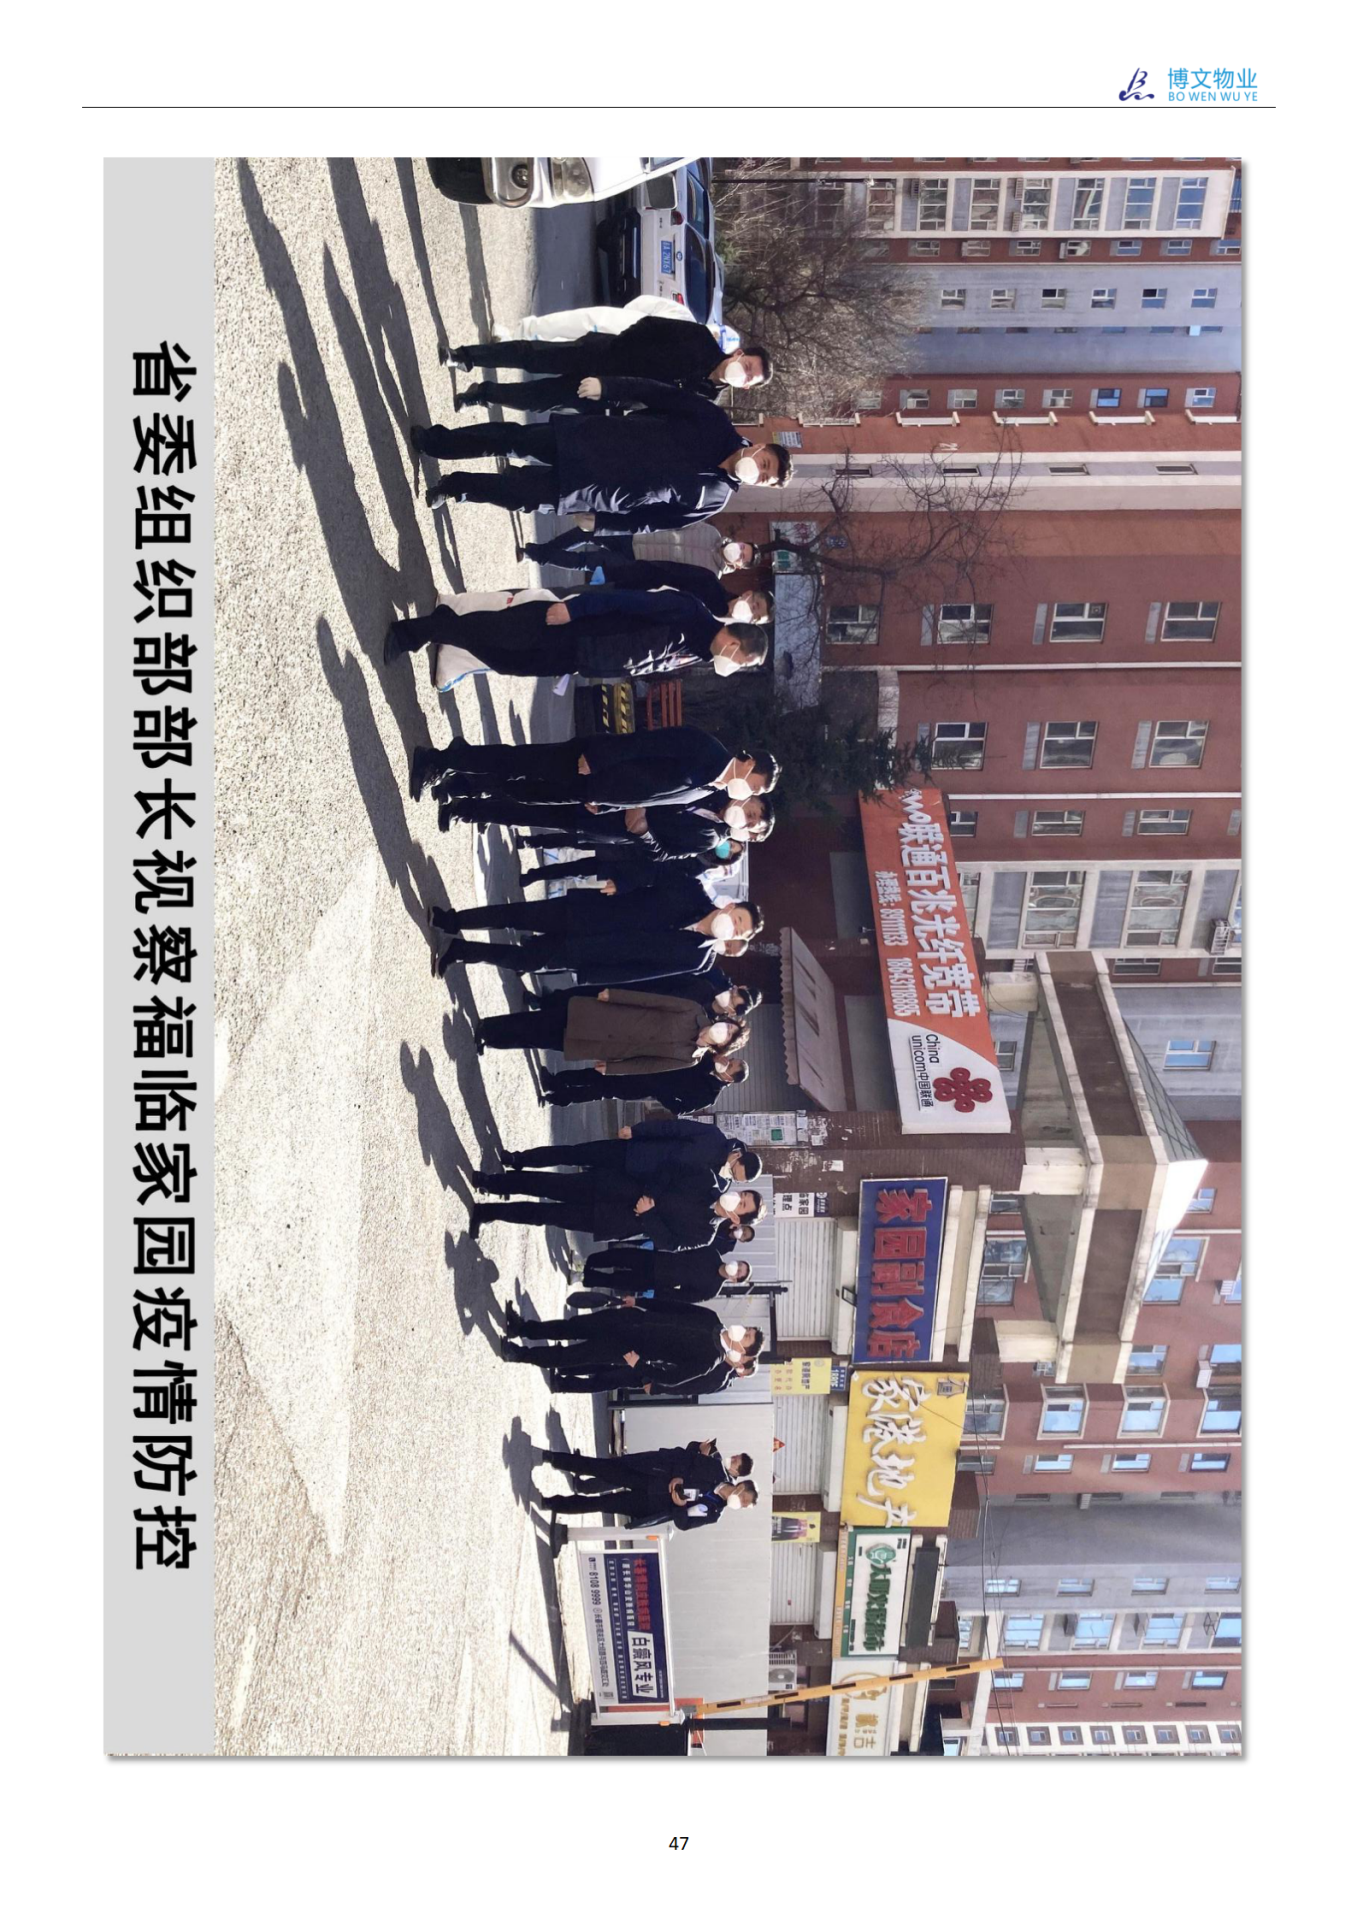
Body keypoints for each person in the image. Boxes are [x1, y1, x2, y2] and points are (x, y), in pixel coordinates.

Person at [412, 379, 793, 524]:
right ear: (759, 447)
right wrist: (608, 387)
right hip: (591, 440)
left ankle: (456, 487)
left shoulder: (714, 498)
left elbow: (652, 521)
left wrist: (603, 525)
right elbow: (658, 393)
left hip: (596, 491)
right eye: (764, 463)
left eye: (765, 478)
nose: (758, 472)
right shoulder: (714, 423)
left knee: (517, 496)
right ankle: (437, 443)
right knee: (511, 440)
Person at [427, 875, 763, 984]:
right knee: (516, 915)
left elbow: (642, 971)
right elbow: (650, 871)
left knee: (524, 961)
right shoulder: (692, 890)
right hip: (590, 913)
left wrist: (594, 976)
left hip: (593, 952)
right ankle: (452, 920)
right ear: (730, 907)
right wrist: (624, 881)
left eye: (739, 933)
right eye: (738, 920)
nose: (733, 928)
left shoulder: (698, 958)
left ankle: (460, 951)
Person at [384, 590, 768, 682]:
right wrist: (576, 608)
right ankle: (410, 633)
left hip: (579, 660)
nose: (734, 665)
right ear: (735, 644)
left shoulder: (699, 654)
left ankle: (445, 621)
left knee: (503, 661)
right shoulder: (689, 611)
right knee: (494, 633)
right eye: (741, 660)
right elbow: (626, 600)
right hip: (573, 627)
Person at [411, 725, 779, 814]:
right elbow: (644, 743)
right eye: (756, 786)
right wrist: (599, 758)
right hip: (591, 763)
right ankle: (437, 760)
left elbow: (651, 797)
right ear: (749, 763)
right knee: (516, 762)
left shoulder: (712, 787)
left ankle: (461, 760)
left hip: (593, 791)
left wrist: (606, 804)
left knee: (523, 792)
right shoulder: (704, 748)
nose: (750, 794)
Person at [443, 313, 771, 407]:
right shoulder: (700, 338)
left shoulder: (704, 399)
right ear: (739, 354)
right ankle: (466, 356)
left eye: (749, 377)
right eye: (747, 366)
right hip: (601, 354)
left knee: (536, 398)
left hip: (605, 393)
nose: (742, 373)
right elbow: (650, 325)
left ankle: (481, 394)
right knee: (533, 356)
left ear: (745, 387)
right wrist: (619, 350)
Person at [471, 988, 749, 1075]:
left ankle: (493, 1041)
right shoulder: (693, 1010)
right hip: (606, 1016)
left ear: (723, 1045)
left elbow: (648, 1066)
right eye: (728, 1025)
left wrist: (614, 1069)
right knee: (541, 1021)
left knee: (541, 1040)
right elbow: (652, 1000)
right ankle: (489, 1026)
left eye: (729, 1035)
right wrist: (614, 995)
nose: (724, 1030)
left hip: (608, 1046)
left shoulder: (691, 1058)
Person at [499, 1299, 764, 1387]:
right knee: (573, 1326)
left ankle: (519, 1354)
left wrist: (640, 1365)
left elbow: (672, 1378)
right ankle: (523, 1328)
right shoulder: (711, 1318)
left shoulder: (710, 1360)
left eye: (747, 1336)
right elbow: (672, 1306)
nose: (743, 1331)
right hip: (632, 1319)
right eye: (748, 1329)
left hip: (630, 1350)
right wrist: (639, 1302)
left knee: (573, 1355)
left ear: (742, 1350)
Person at [470, 1182, 764, 1251]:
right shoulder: (707, 1183)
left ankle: (489, 1212)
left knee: (548, 1214)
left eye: (742, 1205)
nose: (737, 1199)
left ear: (736, 1219)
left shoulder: (705, 1234)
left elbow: (668, 1243)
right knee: (553, 1185)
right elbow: (670, 1171)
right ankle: (493, 1182)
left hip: (619, 1220)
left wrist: (649, 1214)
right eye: (742, 1195)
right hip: (619, 1190)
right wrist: (649, 1195)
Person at [495, 1118, 762, 1188]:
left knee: (569, 1183)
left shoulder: (719, 1185)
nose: (730, 1175)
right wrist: (637, 1131)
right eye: (734, 1171)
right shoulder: (712, 1137)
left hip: (634, 1183)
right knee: (575, 1154)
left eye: (734, 1179)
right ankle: (520, 1159)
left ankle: (512, 1182)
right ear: (737, 1156)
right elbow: (672, 1128)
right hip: (633, 1153)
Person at [572, 555, 771, 626]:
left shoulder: (717, 633)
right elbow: (662, 570)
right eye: (755, 606)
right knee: (566, 601)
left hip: (622, 627)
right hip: (622, 593)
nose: (750, 613)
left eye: (754, 618)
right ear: (747, 594)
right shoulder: (708, 583)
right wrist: (614, 574)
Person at [539, 1050, 749, 1115]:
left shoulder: (710, 1094)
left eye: (730, 1066)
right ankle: (556, 1081)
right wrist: (713, 1057)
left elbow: (681, 1108)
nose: (726, 1063)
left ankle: (558, 1099)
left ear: (729, 1078)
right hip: (647, 1065)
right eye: (730, 1060)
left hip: (646, 1086)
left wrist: (660, 1091)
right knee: (597, 1073)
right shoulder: (708, 1060)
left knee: (600, 1090)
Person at [538, 1437, 753, 1495]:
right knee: (613, 1470)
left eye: (736, 1460)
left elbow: (689, 1475)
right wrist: (700, 1447)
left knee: (613, 1470)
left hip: (660, 1473)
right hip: (662, 1461)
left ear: (737, 1472)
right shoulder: (717, 1460)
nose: (732, 1458)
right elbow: (690, 1450)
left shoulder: (718, 1479)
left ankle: (567, 1466)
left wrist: (701, 1456)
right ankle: (582, 1479)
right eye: (735, 1456)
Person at [537, 1476, 758, 1531]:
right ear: (739, 1486)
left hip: (651, 1506)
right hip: (655, 1482)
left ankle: (553, 1503)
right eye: (743, 1498)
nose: (739, 1503)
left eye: (744, 1505)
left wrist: (680, 1506)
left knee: (602, 1504)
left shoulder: (714, 1512)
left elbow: (684, 1523)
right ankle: (582, 1483)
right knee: (613, 1476)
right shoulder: (715, 1474)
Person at [574, 1241, 752, 1304]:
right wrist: (660, 1245)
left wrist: (659, 1294)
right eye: (739, 1265)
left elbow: (684, 1297)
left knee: (617, 1280)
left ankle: (583, 1277)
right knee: (618, 1256)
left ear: (734, 1280)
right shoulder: (712, 1254)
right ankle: (584, 1263)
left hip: (657, 1280)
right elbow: (687, 1246)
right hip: (657, 1258)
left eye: (739, 1273)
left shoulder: (712, 1289)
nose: (735, 1269)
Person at [522, 528, 756, 574]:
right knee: (588, 531)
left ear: (739, 566)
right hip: (636, 535)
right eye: (743, 547)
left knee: (586, 561)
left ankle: (535, 555)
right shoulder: (711, 532)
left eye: (743, 557)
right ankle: (544, 551)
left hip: (636, 564)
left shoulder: (710, 575)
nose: (739, 551)